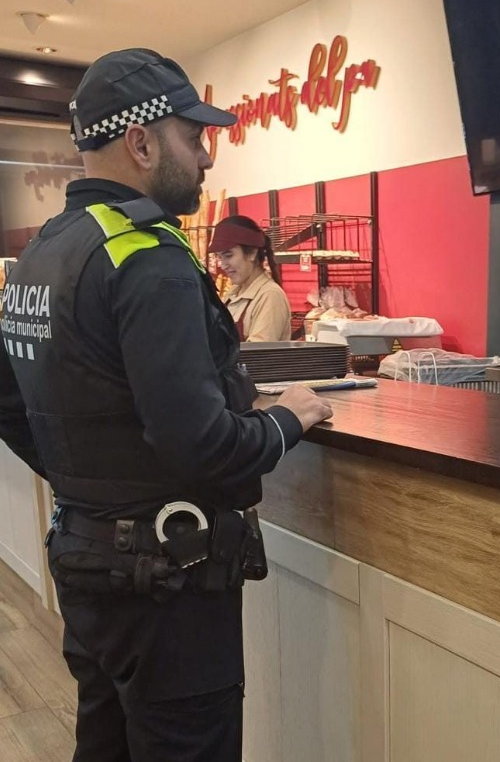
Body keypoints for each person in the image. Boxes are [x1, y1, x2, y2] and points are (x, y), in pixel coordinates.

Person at [0, 48, 333, 762]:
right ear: (141, 141)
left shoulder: (42, 255)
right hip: (166, 582)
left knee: (106, 743)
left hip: (88, 562)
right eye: (194, 136)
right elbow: (200, 443)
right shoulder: (147, 258)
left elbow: (7, 403)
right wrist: (287, 419)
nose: (207, 158)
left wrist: (89, 482)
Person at [210, 215, 292, 341]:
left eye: (228, 255)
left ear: (252, 253)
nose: (223, 265)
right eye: (220, 257)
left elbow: (258, 356)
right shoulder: (233, 293)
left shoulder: (269, 296)